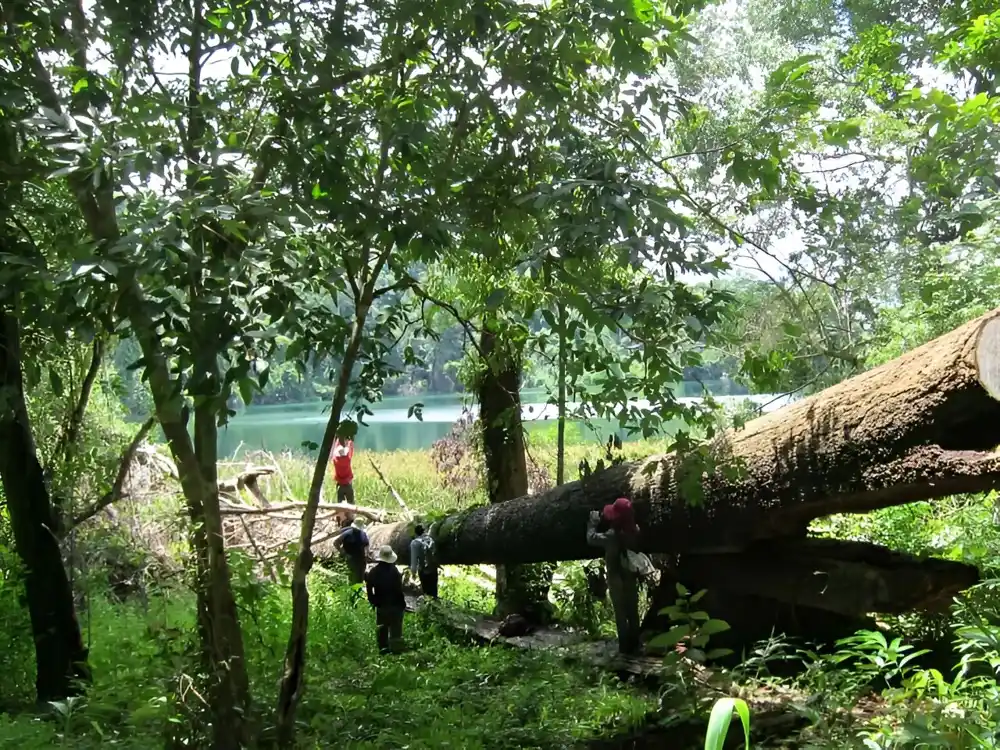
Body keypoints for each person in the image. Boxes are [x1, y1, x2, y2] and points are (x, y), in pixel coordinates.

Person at [586, 497, 642, 655]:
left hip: (616, 577)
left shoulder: (611, 536)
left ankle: (624, 648)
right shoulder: (635, 531)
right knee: (632, 611)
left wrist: (592, 523)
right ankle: (636, 645)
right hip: (631, 575)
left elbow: (591, 539)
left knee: (621, 613)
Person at [365, 545, 406, 654]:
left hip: (381, 604)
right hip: (395, 604)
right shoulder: (395, 571)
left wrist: (372, 600)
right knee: (396, 630)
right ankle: (397, 652)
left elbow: (369, 587)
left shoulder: (374, 572)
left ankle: (383, 651)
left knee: (382, 628)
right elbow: (399, 589)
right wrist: (402, 603)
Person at [333, 517, 369, 585]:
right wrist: (344, 553)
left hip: (361, 559)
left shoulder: (363, 534)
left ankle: (358, 591)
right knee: (351, 578)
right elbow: (336, 543)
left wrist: (367, 555)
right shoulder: (347, 534)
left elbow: (366, 545)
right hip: (350, 559)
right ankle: (351, 591)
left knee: (360, 579)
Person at [409, 524, 438, 598]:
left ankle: (428, 607)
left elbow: (414, 559)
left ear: (415, 533)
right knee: (434, 591)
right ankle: (436, 607)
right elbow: (435, 553)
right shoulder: (431, 540)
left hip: (423, 570)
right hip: (433, 569)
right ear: (424, 531)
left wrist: (413, 572)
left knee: (427, 592)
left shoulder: (415, 543)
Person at [331, 438, 355, 504]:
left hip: (340, 485)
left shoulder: (335, 460)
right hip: (348, 484)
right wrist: (350, 441)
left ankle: (341, 514)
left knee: (340, 504)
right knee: (351, 503)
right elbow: (351, 449)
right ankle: (350, 514)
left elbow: (334, 452)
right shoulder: (348, 459)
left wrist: (338, 439)